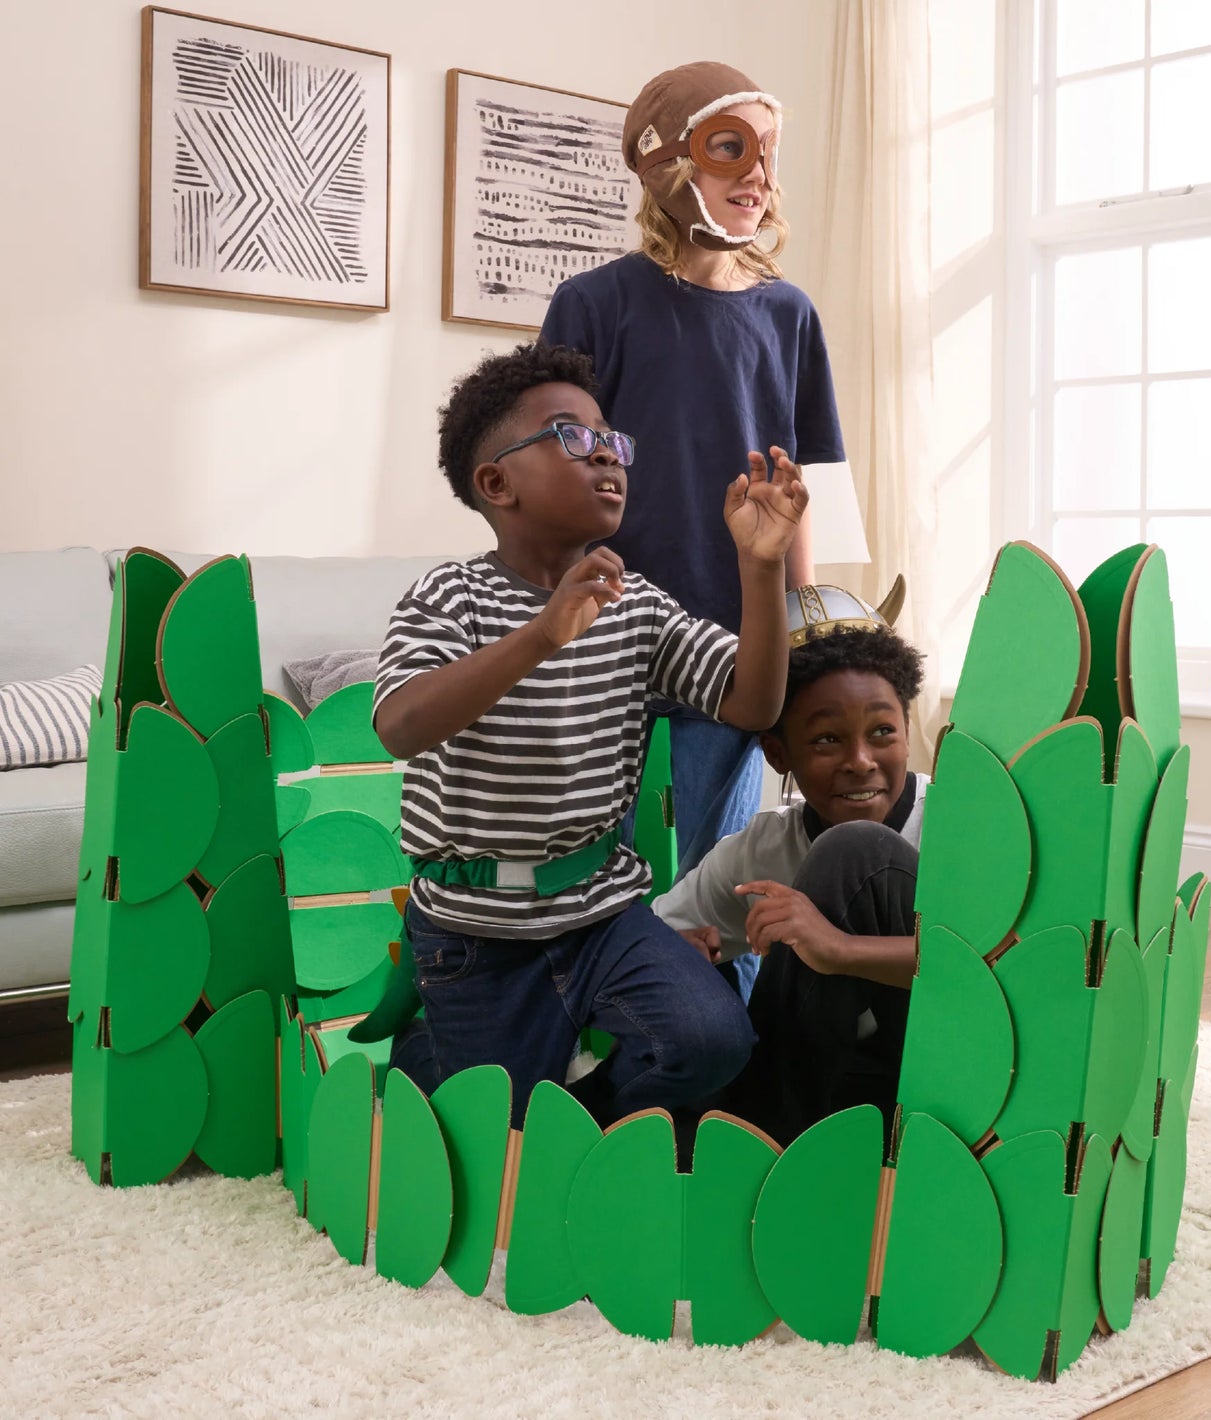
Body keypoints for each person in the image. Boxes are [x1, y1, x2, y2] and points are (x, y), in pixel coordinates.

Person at [372, 342, 808, 1130]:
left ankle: (582, 1122)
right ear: (496, 483)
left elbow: (751, 701)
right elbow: (401, 725)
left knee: (713, 1040)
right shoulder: (449, 595)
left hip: (601, 913)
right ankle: (432, 1054)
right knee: (489, 1126)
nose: (607, 450)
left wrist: (760, 567)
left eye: (612, 437)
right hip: (474, 931)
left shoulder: (635, 602)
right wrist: (542, 634)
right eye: (572, 435)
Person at [539, 63, 848, 976]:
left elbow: (800, 492)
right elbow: (553, 474)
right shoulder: (594, 304)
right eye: (730, 148)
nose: (758, 174)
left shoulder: (789, 314)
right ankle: (610, 1053)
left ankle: (729, 1064)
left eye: (767, 153)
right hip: (615, 637)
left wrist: (804, 635)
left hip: (737, 644)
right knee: (605, 871)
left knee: (727, 875)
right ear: (667, 165)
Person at [652, 602, 927, 1150]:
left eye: (882, 732)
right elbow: (655, 936)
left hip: (934, 1076)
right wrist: (675, 959)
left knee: (854, 851)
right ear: (778, 754)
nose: (860, 760)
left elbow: (998, 970)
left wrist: (839, 948)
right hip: (826, 1086)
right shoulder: (762, 847)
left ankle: (760, 1149)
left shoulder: (960, 822)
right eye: (827, 740)